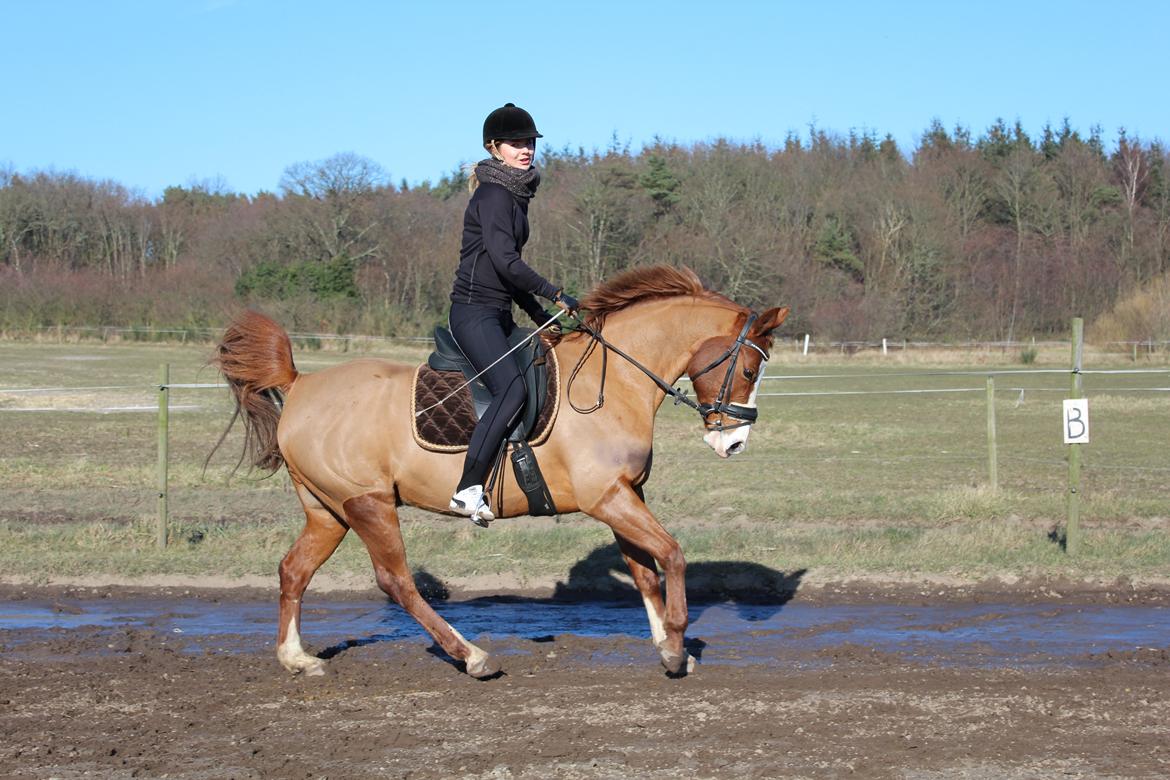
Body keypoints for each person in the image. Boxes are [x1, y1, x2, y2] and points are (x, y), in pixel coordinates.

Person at [447, 102, 578, 526]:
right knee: (512, 391)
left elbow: (506, 274)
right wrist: (553, 293)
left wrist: (539, 315)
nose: (525, 150)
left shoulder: (516, 196)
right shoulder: (494, 194)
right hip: (473, 313)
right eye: (516, 143)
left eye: (529, 143)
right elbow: (507, 263)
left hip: (499, 311)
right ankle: (467, 489)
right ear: (494, 147)